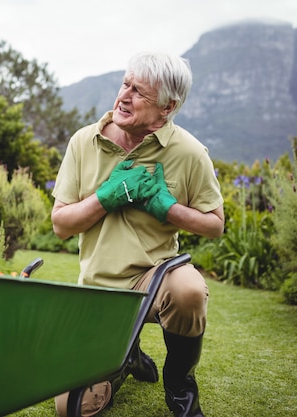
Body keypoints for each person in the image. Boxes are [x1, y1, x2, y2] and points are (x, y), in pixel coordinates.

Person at [50, 52, 224, 417]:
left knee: (189, 290)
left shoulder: (189, 152)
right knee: (71, 408)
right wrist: (104, 199)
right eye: (125, 84)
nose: (124, 96)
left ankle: (179, 387)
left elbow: (214, 224)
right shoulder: (85, 142)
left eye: (139, 92)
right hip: (99, 289)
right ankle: (126, 358)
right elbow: (61, 225)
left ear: (168, 106)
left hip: (154, 276)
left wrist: (167, 208)